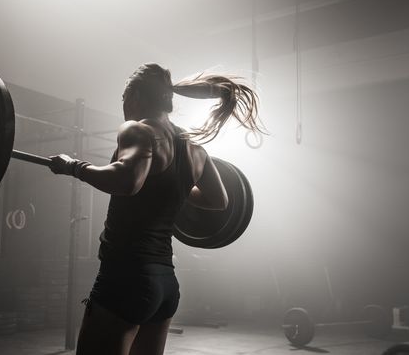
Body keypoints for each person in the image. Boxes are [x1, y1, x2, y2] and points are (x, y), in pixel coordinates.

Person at [50, 63, 264, 355]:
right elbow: (219, 201)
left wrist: (73, 166)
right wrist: (173, 186)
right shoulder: (192, 148)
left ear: (135, 96)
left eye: (124, 101)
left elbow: (128, 181)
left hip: (125, 277)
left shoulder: (138, 130)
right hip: (164, 284)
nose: (125, 109)